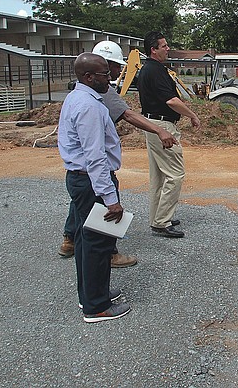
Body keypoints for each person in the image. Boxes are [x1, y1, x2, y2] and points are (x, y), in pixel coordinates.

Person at [58, 41, 176, 267]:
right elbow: (126, 117)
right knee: (102, 210)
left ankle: (70, 239)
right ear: (95, 72)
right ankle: (108, 253)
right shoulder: (94, 98)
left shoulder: (78, 93)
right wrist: (159, 130)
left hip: (78, 172)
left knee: (81, 205)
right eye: (110, 69)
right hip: (91, 171)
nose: (113, 74)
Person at [136, 32, 200, 238]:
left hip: (152, 123)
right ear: (153, 49)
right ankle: (162, 222)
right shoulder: (155, 71)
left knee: (158, 176)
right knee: (175, 174)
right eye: (164, 46)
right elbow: (171, 101)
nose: (167, 48)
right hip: (162, 126)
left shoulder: (149, 69)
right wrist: (192, 115)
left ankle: (158, 217)